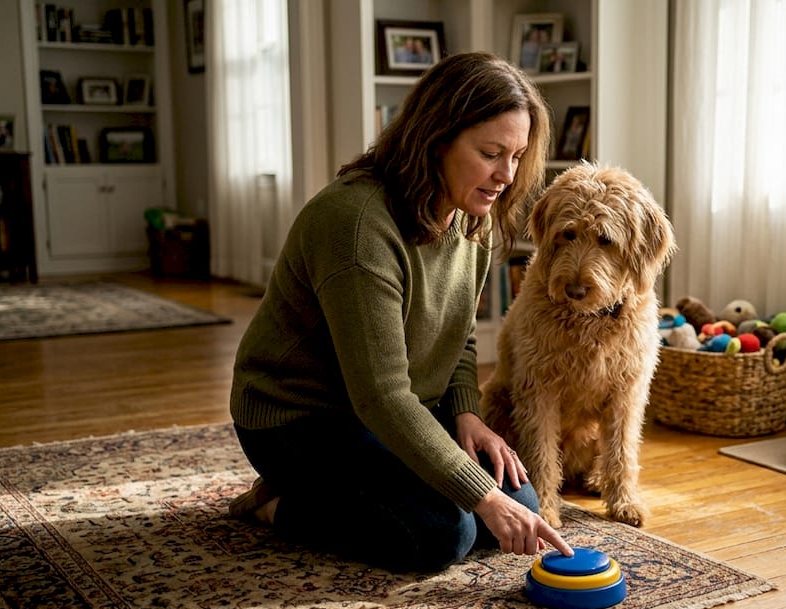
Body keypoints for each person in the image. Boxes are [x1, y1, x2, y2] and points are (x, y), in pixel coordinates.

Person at [229, 51, 573, 573]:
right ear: (436, 139)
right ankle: (278, 504)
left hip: (390, 405)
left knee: (518, 505)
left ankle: (366, 492)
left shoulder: (470, 212)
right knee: (441, 534)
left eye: (518, 155)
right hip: (300, 419)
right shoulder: (356, 224)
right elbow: (382, 396)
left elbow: (458, 337)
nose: (507, 174)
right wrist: (479, 495)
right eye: (490, 153)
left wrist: (466, 415)